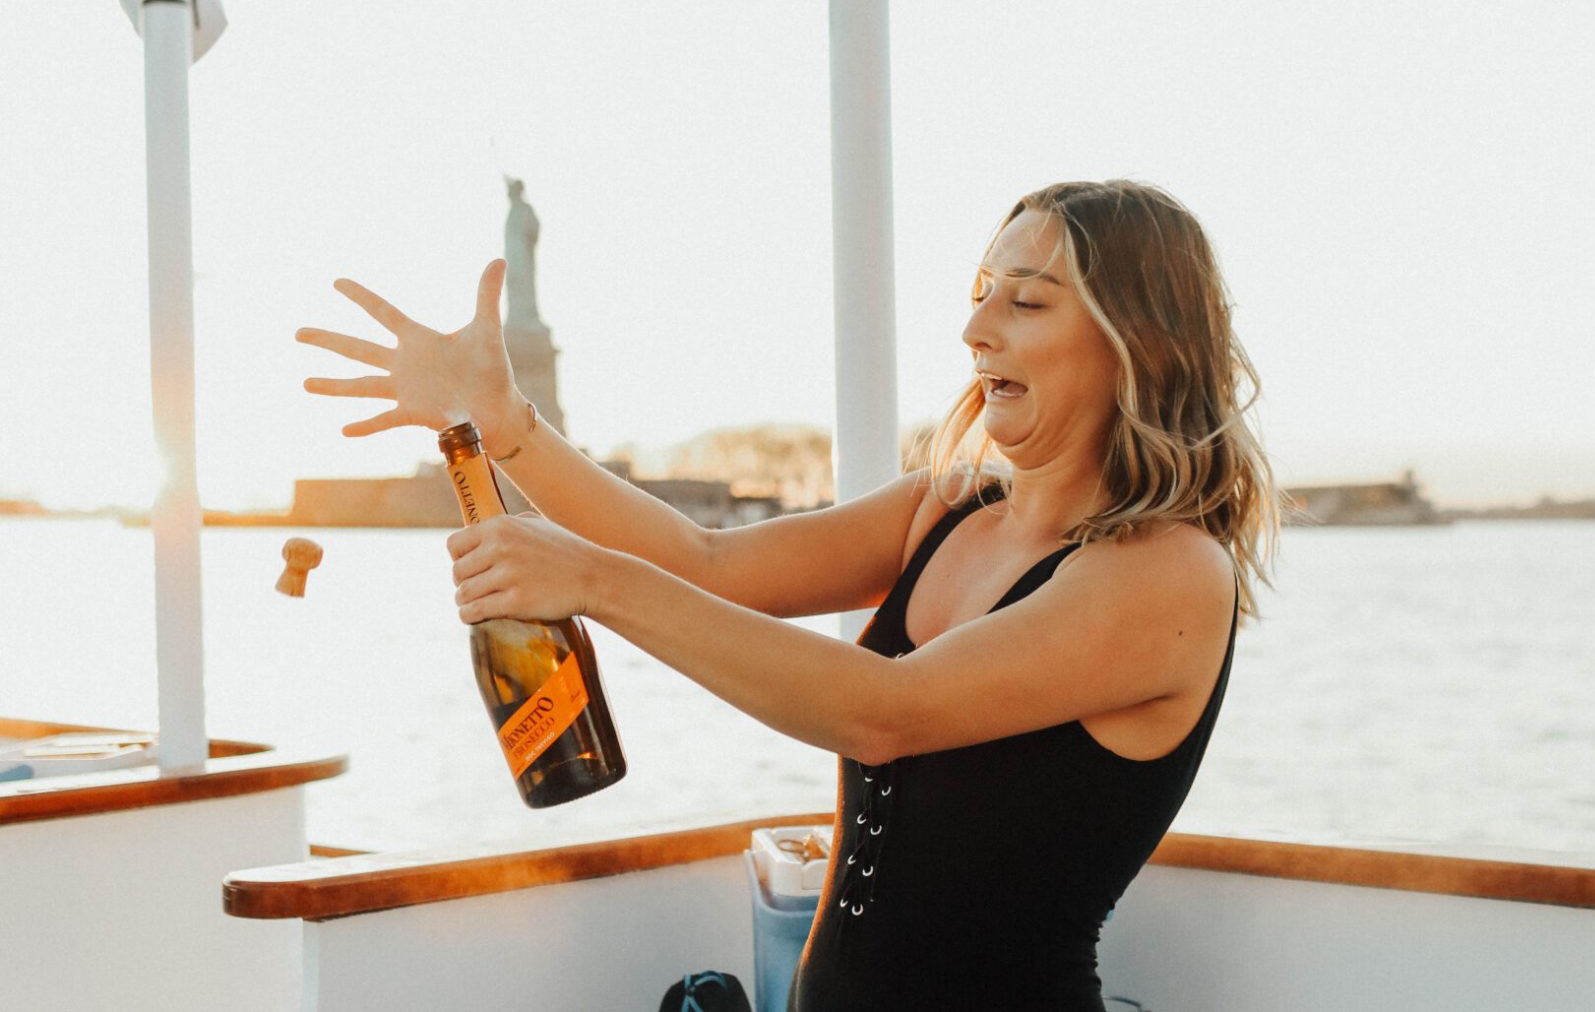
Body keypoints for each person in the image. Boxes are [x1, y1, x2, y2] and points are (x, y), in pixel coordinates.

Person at [296, 179, 1277, 1011]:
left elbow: (884, 712)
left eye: (1026, 302)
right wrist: (512, 429)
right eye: (983, 293)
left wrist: (591, 581)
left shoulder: (1170, 571)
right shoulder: (946, 507)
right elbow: (711, 562)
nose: (975, 328)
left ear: (1135, 340)